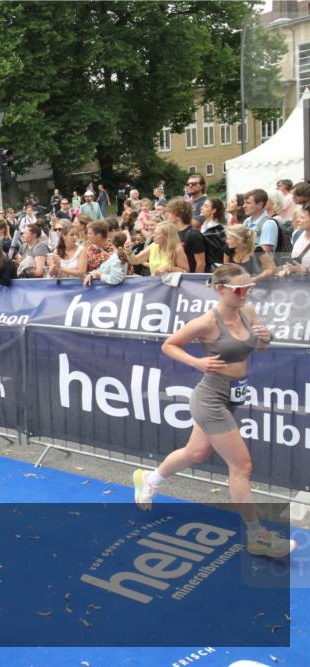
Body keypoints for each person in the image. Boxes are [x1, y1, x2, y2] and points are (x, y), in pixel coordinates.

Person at [132, 265, 294, 559]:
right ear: (220, 289)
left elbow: (259, 347)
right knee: (242, 467)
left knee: (195, 453)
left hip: (233, 395)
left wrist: (265, 337)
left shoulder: (248, 312)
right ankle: (257, 537)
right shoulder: (207, 322)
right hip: (210, 399)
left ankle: (149, 479)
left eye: (250, 289)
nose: (246, 294)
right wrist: (197, 363)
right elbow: (169, 345)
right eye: (240, 290)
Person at [168, 198, 206, 273]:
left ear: (179, 215)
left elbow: (201, 263)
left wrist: (195, 279)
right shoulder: (173, 233)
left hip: (189, 276)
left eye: (170, 212)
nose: (167, 214)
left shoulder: (194, 235)